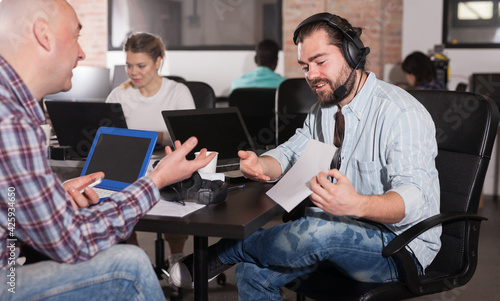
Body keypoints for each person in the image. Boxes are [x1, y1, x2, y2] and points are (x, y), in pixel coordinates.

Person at [170, 12, 441, 300]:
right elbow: (289, 153)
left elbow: (415, 200)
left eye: (320, 61)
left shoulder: (401, 113)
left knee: (316, 231)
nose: (311, 75)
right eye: (304, 66)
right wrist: (259, 163)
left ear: (352, 53)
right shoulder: (323, 110)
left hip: (397, 248)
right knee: (250, 273)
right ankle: (239, 253)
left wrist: (356, 203)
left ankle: (229, 249)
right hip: (336, 231)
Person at [0, 1, 215, 300]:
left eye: (141, 65)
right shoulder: (11, 121)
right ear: (44, 35)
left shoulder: (11, 111)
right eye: (76, 35)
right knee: (131, 264)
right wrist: (156, 181)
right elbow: (70, 242)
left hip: (9, 264)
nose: (82, 52)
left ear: (157, 63)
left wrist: (54, 195)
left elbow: (9, 207)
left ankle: (176, 259)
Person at [106, 32, 195, 147]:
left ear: (157, 62)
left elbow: (189, 138)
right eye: (129, 66)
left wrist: (152, 136)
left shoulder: (178, 92)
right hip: (128, 160)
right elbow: (105, 136)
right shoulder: (118, 95)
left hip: (168, 161)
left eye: (141, 66)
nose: (133, 72)